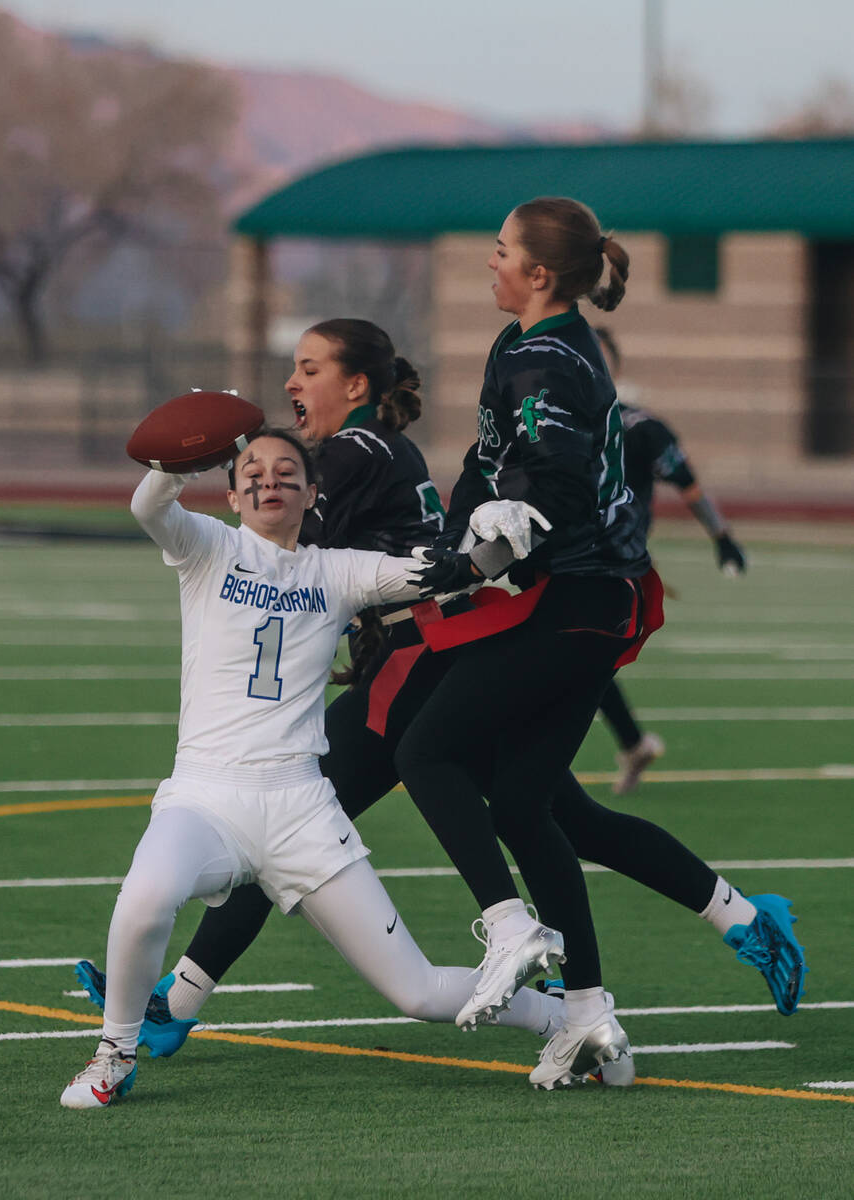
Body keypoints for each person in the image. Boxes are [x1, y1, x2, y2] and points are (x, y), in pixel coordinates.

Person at [394, 196, 806, 1089]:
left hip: (574, 603)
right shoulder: (525, 345)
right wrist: (448, 544)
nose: (488, 263)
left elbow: (556, 489)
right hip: (578, 601)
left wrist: (492, 543)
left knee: (426, 748)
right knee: (535, 806)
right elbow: (486, 465)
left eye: (500, 251)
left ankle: (510, 926)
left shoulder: (545, 355)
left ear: (540, 274)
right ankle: (603, 1003)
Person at [60, 428, 569, 1109]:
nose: (269, 482)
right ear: (235, 492)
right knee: (145, 899)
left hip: (301, 809)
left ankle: (561, 1018)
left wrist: (502, 534)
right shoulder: (209, 547)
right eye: (253, 473)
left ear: (312, 491)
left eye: (286, 472)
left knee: (414, 991)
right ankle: (114, 1054)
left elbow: (452, 573)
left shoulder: (337, 570)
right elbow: (149, 509)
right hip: (207, 797)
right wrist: (174, 463)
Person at [592, 326, 748, 794]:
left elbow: (688, 484)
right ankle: (634, 744)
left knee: (569, 661)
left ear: (613, 367)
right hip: (566, 565)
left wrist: (722, 535)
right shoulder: (552, 425)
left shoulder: (640, 427)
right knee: (584, 665)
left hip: (615, 568)